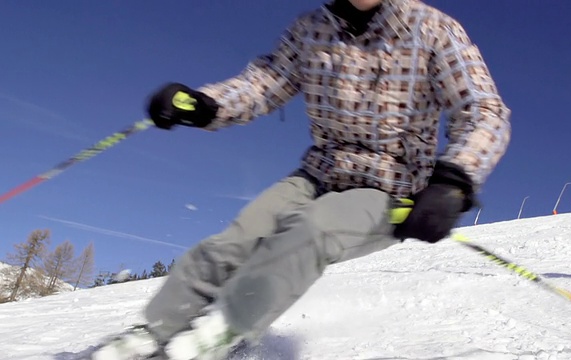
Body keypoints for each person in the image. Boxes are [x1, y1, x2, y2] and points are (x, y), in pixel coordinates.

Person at [92, 0, 511, 359]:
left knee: (313, 229)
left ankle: (222, 331)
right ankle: (157, 330)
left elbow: (482, 111)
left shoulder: (432, 30)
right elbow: (263, 83)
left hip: (389, 187)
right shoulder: (311, 31)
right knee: (235, 240)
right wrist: (206, 105)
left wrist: (454, 179)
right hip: (319, 172)